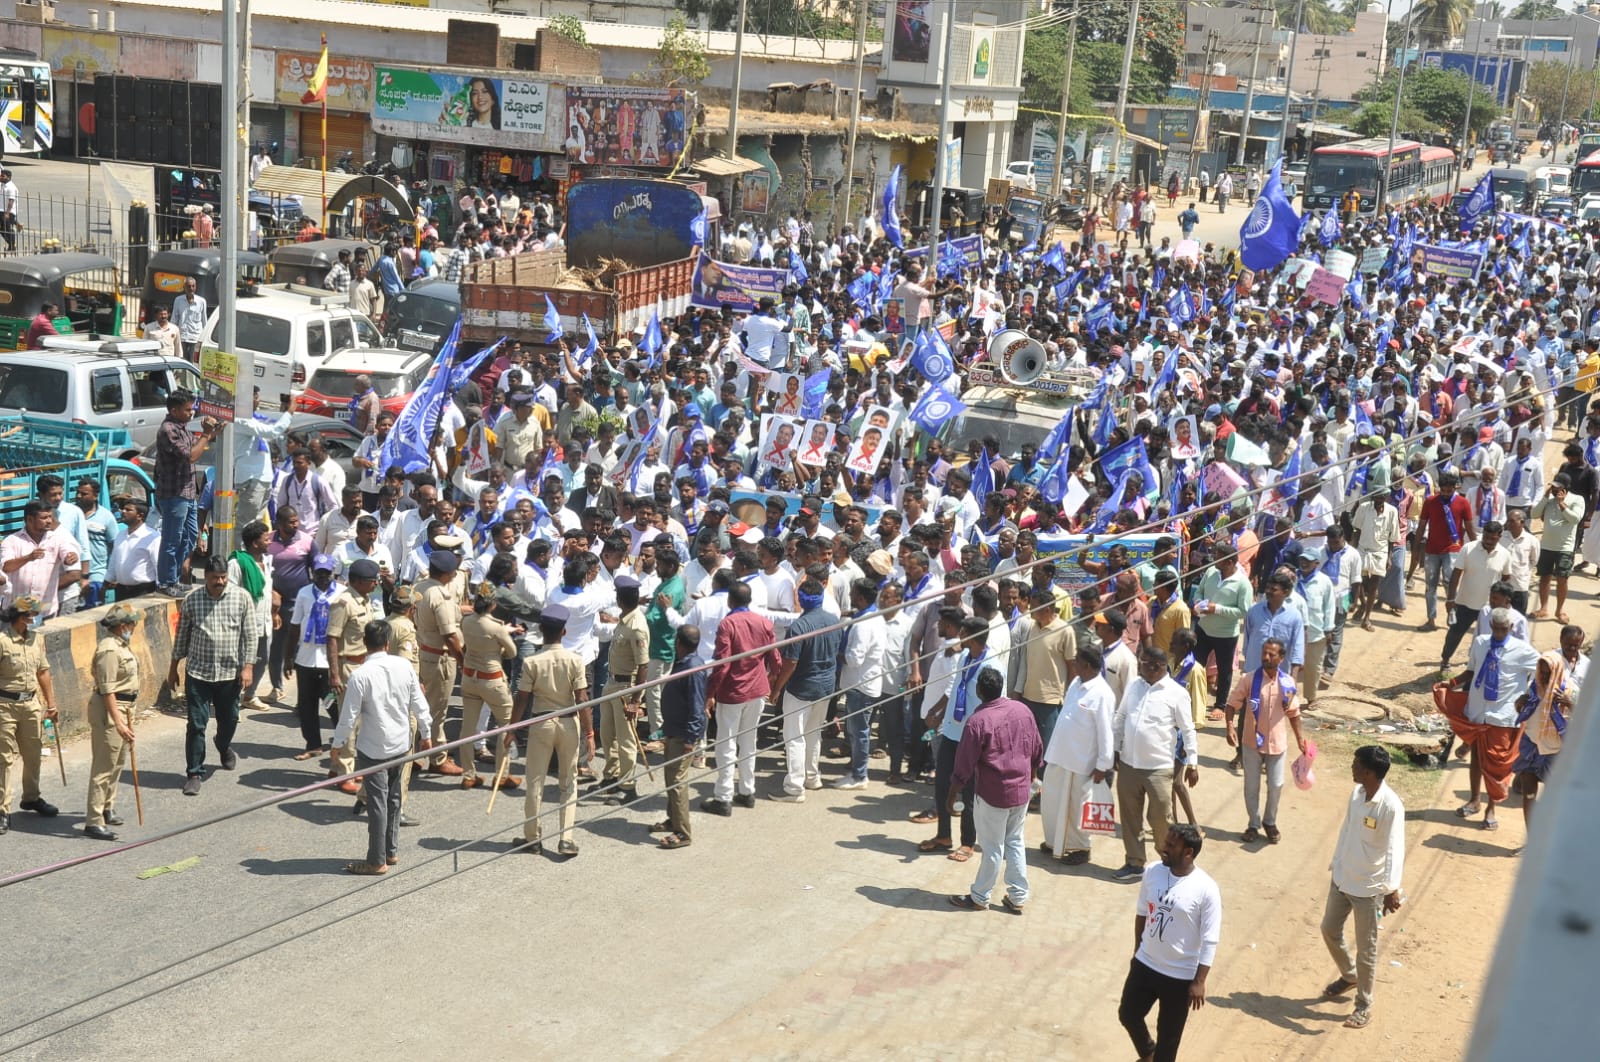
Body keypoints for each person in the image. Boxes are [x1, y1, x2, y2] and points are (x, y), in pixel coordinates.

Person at [330, 620, 434, 875]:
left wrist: (337, 744)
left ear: (365, 644)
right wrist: (427, 734)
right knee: (394, 797)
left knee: (377, 804)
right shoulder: (404, 666)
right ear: (387, 644)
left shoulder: (360, 675)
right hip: (401, 744)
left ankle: (377, 861)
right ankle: (391, 851)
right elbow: (419, 703)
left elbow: (348, 716)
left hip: (373, 748)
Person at [1117, 824, 1221, 1062]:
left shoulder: (1206, 889)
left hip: (1179, 976)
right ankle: (1148, 1054)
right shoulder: (1152, 871)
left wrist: (1199, 981)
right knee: (1128, 1014)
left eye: (1171, 846)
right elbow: (1142, 913)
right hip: (1145, 964)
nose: (1163, 848)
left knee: (1168, 1040)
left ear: (1188, 853)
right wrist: (1137, 952)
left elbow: (1210, 939)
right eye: (1165, 842)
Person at [1321, 745, 1406, 1030]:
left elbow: (1394, 849)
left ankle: (1364, 1005)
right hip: (1343, 877)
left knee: (1366, 951)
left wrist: (1391, 889)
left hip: (1368, 888)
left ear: (1369, 772)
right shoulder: (1356, 794)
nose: (1352, 767)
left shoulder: (1390, 806)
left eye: (1356, 764)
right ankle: (1350, 975)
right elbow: (1346, 831)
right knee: (1329, 929)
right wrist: (1336, 863)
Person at [946, 668, 1043, 913]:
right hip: (1021, 791)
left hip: (994, 795)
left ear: (979, 691)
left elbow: (963, 764)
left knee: (992, 847)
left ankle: (980, 896)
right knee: (1015, 841)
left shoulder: (978, 721)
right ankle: (1018, 896)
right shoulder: (1022, 710)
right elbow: (1036, 749)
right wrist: (1033, 777)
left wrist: (952, 794)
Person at [1441, 608, 1541, 831]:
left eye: (1503, 629)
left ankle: (1491, 809)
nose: (1498, 633)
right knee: (1477, 756)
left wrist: (1528, 695)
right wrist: (1451, 683)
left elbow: (1543, 669)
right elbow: (1471, 671)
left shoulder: (1522, 650)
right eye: (1495, 628)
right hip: (1478, 711)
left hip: (1503, 715)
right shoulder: (1480, 643)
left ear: (1510, 628)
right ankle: (1474, 800)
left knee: (1497, 765)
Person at [169, 556, 260, 797]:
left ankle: (223, 744)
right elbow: (181, 636)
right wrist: (173, 667)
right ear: (206, 577)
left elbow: (251, 636)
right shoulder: (192, 600)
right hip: (198, 673)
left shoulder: (242, 598)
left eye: (223, 577)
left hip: (230, 674)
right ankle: (194, 773)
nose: (219, 582)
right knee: (196, 725)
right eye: (214, 578)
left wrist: (248, 667)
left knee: (229, 719)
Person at [1113, 646, 1199, 882]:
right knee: (1130, 817)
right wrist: (1115, 748)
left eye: (1145, 664)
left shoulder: (1176, 693)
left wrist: (1193, 763)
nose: (1141, 667)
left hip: (1159, 768)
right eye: (1141, 662)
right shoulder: (1134, 686)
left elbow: (1188, 729)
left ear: (1158, 667)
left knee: (1161, 818)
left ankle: (1169, 864)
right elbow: (1121, 717)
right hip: (1129, 764)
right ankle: (1134, 863)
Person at [514, 604, 591, 857]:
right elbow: (582, 698)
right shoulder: (575, 660)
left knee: (535, 781)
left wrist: (511, 729)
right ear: (564, 632)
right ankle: (566, 839)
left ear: (541, 630)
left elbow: (522, 698)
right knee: (568, 782)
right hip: (568, 722)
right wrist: (590, 733)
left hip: (541, 723)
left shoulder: (531, 662)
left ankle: (532, 838)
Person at [704, 581, 780, 815]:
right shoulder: (763, 622)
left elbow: (722, 664)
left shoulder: (728, 624)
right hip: (757, 690)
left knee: (726, 744)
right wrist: (770, 680)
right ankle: (747, 791)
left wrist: (710, 693)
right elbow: (776, 659)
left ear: (730, 601)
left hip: (732, 691)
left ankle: (723, 797)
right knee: (748, 742)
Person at [1226, 637, 1306, 845]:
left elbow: (1294, 713)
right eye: (1264, 653)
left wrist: (1300, 739)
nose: (1266, 657)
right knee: (1251, 786)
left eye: (1271, 654)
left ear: (1281, 658)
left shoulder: (1287, 683)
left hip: (1277, 743)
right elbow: (1232, 704)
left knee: (1276, 784)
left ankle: (1270, 822)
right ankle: (1253, 824)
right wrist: (1230, 727)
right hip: (1251, 742)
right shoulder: (1249, 679)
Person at [1039, 643, 1114, 864]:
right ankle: (1054, 842)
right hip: (1059, 755)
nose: (1074, 666)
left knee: (1075, 809)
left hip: (1080, 761)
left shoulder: (1103, 694)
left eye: (1078, 663)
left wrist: (1103, 765)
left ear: (1088, 666)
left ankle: (1081, 848)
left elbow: (1106, 733)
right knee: (1052, 802)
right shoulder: (1076, 683)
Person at [771, 577, 843, 799]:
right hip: (826, 687)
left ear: (801, 601)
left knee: (794, 737)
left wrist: (777, 688)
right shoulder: (834, 621)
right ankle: (812, 777)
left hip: (801, 688)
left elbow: (790, 663)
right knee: (813, 733)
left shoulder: (799, 626)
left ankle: (794, 787)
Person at [0, 595, 58, 832]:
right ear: (19, 616)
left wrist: (51, 704)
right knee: (4, 758)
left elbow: (43, 672)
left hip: (31, 704)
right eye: (30, 614)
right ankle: (2, 808)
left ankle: (31, 797)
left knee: (33, 753)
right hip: (5, 705)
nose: (34, 617)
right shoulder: (2, 641)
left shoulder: (36, 639)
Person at [153, 391, 219, 596]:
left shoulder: (183, 428)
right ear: (174, 411)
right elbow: (190, 456)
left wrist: (213, 431)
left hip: (189, 493)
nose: (191, 413)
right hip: (174, 494)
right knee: (172, 539)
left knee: (190, 535)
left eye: (192, 409)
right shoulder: (168, 430)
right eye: (187, 410)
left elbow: (198, 445)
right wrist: (206, 434)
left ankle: (173, 578)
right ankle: (166, 582)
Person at [84, 603, 141, 840]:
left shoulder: (121, 645)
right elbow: (107, 689)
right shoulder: (109, 650)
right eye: (132, 623)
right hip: (111, 709)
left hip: (125, 707)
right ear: (122, 626)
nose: (134, 627)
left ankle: (107, 806)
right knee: (104, 765)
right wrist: (118, 722)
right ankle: (94, 820)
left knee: (118, 762)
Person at [456, 582, 520, 792]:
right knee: (505, 726)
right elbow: (512, 652)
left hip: (470, 677)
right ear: (493, 604)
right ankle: (502, 775)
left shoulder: (466, 621)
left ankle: (468, 774)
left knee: (468, 727)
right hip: (492, 679)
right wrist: (499, 644)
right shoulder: (496, 626)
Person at [1511, 644, 1581, 829]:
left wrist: (1570, 704)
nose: (1544, 677)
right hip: (1532, 746)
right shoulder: (1535, 687)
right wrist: (1519, 704)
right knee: (1529, 795)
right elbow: (1525, 709)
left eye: (1548, 673)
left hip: (1555, 751)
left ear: (1557, 670)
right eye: (1541, 672)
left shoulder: (1570, 690)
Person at [654, 624, 706, 849]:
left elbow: (697, 706)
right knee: (670, 777)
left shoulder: (693, 668)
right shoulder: (685, 662)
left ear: (678, 643)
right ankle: (673, 820)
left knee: (677, 782)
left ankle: (683, 833)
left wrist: (690, 739)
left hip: (684, 734)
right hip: (674, 730)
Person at [599, 574, 649, 801]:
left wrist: (636, 701)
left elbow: (643, 666)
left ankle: (628, 786)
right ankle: (611, 776)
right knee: (607, 734)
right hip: (612, 682)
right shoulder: (625, 619)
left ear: (620, 599)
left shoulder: (636, 626)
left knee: (626, 739)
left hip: (626, 687)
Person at [1532, 474, 1583, 623]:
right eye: (1552, 487)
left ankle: (1559, 610)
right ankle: (1543, 608)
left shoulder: (1577, 499)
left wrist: (1562, 504)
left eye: (1557, 487)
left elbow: (1575, 519)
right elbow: (1534, 514)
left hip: (1564, 547)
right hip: (1546, 546)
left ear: (1565, 488)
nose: (1554, 489)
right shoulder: (1549, 500)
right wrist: (1545, 498)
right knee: (1544, 577)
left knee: (1562, 579)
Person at [170, 276, 209, 360]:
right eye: (188, 286)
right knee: (181, 361)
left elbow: (204, 320)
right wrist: (172, 333)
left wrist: (204, 337)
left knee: (193, 362)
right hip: (182, 337)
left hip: (196, 338)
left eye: (193, 286)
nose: (191, 288)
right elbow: (174, 318)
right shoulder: (178, 300)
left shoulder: (201, 301)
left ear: (195, 287)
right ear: (184, 287)